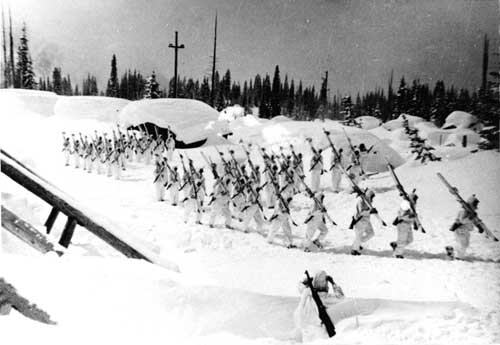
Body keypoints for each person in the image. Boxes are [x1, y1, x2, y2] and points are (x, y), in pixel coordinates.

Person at [293, 270, 344, 342]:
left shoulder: (306, 291)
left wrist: (307, 280)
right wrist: (333, 283)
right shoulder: (325, 298)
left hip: (306, 330)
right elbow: (341, 297)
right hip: (318, 332)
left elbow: (299, 285)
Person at [446, 195, 480, 260]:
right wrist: (470, 217)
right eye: (475, 204)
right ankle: (458, 257)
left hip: (466, 230)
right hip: (461, 230)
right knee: (462, 244)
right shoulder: (463, 211)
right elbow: (462, 221)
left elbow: (474, 221)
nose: (476, 206)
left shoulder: (472, 212)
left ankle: (452, 251)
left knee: (465, 244)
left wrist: (478, 226)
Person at [390, 193, 418, 258]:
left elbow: (413, 215)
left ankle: (396, 244)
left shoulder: (412, 205)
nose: (416, 201)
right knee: (402, 240)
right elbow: (403, 215)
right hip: (403, 224)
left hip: (408, 224)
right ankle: (397, 254)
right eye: (414, 199)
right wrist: (410, 215)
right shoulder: (405, 204)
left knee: (410, 239)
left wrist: (415, 224)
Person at [350, 188, 377, 255]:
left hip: (367, 221)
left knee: (371, 233)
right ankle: (354, 250)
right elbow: (360, 212)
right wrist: (369, 211)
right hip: (359, 221)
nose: (372, 198)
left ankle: (357, 243)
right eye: (372, 196)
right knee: (359, 236)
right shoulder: (361, 201)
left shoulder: (369, 202)